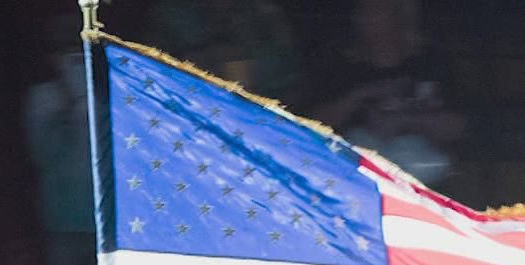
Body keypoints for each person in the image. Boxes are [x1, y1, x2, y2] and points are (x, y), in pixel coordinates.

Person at [314, 0, 463, 185]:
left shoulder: (430, 63)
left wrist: (404, 120)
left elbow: (456, 126)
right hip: (357, 160)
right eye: (363, 11)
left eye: (376, 11)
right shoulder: (342, 64)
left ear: (400, 15)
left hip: (418, 163)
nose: (365, 19)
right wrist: (361, 95)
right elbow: (315, 123)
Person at [24, 16, 97, 265]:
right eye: (69, 57)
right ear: (55, 59)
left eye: (82, 57)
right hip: (60, 220)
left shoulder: (104, 100)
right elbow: (41, 155)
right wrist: (67, 111)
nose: (76, 65)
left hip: (101, 223)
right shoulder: (41, 100)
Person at [148, 0, 302, 101]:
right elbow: (153, 61)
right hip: (183, 93)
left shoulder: (264, 13)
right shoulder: (174, 11)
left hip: (263, 103)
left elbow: (288, 65)